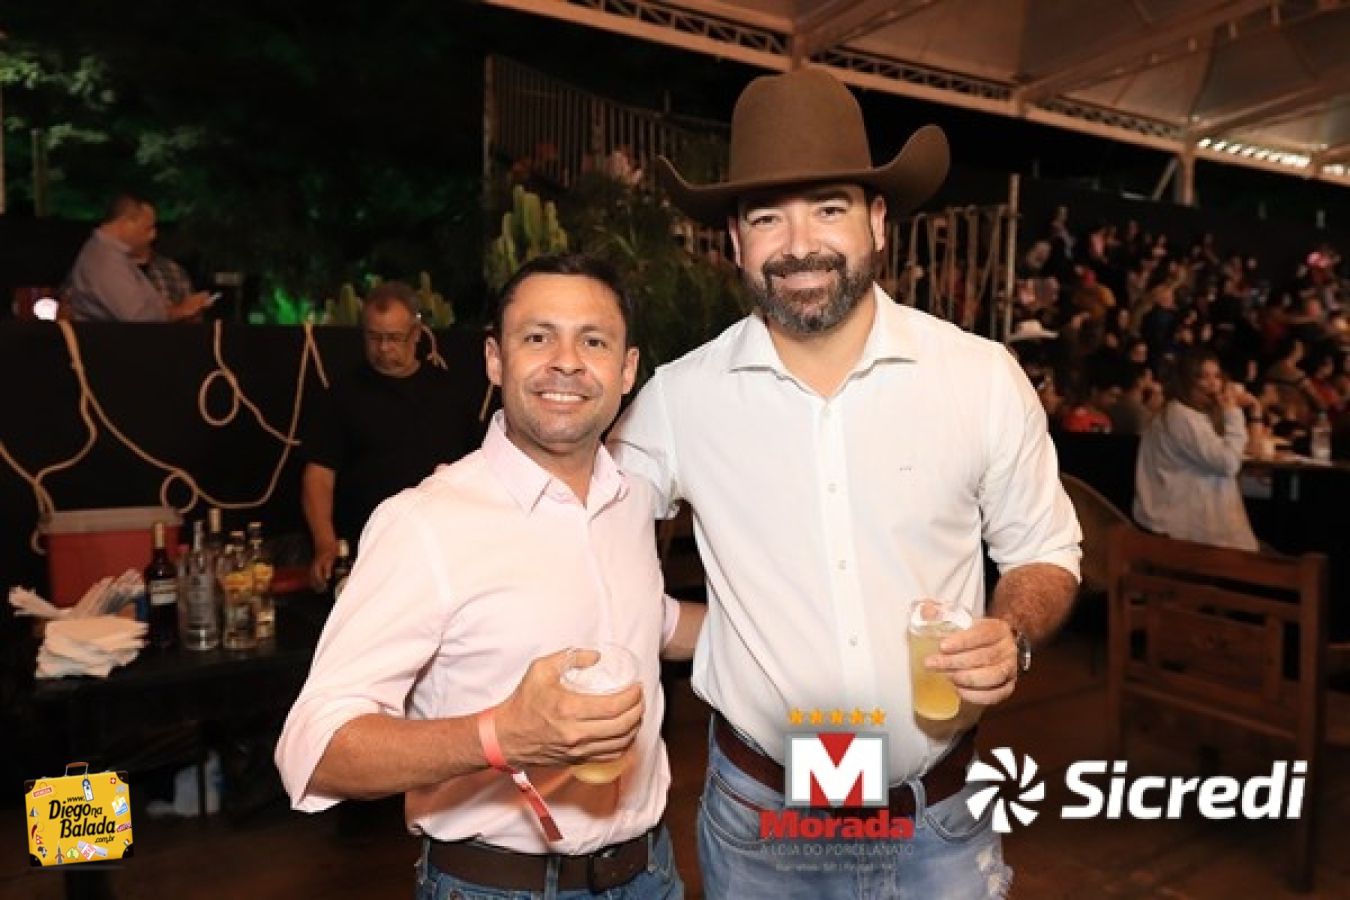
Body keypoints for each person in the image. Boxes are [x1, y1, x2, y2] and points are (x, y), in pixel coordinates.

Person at [609, 68, 1081, 899]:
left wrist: (1013, 631)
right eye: (767, 217)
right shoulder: (681, 399)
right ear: (735, 242)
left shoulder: (977, 377)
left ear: (877, 222)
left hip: (937, 822)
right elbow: (577, 526)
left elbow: (1045, 551)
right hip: (765, 828)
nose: (800, 244)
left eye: (829, 208)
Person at [276, 254, 701, 898]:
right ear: (496, 360)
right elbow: (315, 748)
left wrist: (784, 626)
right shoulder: (426, 522)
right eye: (538, 337)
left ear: (626, 369)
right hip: (499, 886)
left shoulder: (629, 499)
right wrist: (500, 736)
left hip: (652, 874)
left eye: (593, 341)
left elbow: (651, 620)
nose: (566, 361)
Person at [300, 280, 477, 591]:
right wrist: (325, 543)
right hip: (367, 554)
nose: (383, 348)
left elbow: (479, 468)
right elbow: (319, 476)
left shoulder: (450, 393)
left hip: (442, 551)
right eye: (374, 337)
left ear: (416, 334)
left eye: (394, 338)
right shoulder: (342, 395)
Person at [1133, 349, 1260, 550]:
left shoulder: (1196, 415)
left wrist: (1255, 412)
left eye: (1217, 376)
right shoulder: (1181, 416)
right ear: (1186, 381)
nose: (1213, 384)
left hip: (1194, 525)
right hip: (1182, 528)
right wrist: (1233, 412)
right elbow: (1228, 463)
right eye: (1203, 377)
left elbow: (1254, 450)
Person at [66, 193, 212, 322]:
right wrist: (180, 310)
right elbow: (138, 317)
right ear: (126, 223)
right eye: (147, 228)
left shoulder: (109, 255)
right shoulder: (105, 260)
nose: (153, 236)